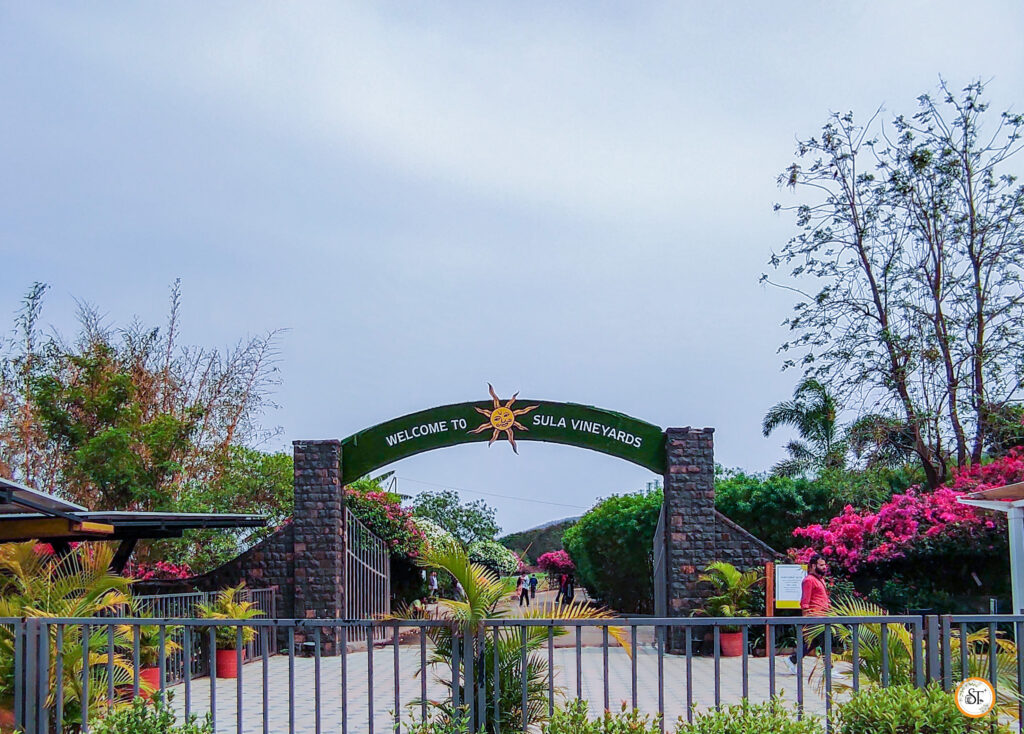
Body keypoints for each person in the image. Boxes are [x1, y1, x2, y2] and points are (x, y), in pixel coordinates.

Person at [787, 554, 831, 674]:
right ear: (813, 565)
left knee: (814, 643)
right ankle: (829, 669)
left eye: (824, 565)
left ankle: (793, 659)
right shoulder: (808, 580)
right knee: (825, 641)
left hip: (823, 616)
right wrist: (805, 620)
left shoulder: (820, 579)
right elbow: (805, 602)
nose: (824, 567)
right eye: (821, 565)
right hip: (815, 617)